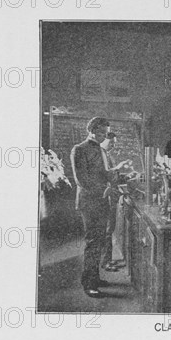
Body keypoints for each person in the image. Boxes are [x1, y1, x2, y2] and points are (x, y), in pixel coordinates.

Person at [70, 117, 129, 298]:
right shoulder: (79, 149)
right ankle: (88, 284)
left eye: (105, 132)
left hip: (101, 201)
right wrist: (103, 189)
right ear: (91, 130)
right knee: (93, 243)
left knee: (98, 242)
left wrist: (118, 172)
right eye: (101, 132)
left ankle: (94, 278)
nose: (104, 136)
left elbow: (105, 174)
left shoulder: (100, 150)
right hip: (90, 202)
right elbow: (82, 180)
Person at [100, 132, 126, 272]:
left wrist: (122, 176)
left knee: (109, 229)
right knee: (107, 230)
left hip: (112, 195)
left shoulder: (107, 154)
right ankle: (105, 262)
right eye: (112, 143)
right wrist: (118, 168)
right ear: (104, 140)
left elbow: (112, 175)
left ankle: (108, 259)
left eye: (114, 143)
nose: (113, 146)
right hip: (107, 196)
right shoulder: (101, 154)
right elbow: (105, 175)